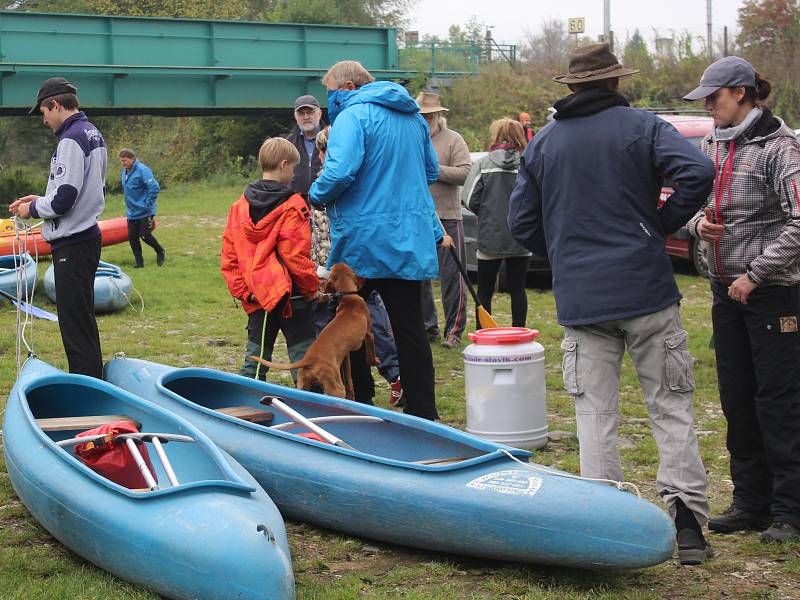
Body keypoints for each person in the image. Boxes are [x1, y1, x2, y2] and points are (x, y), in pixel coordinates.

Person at [507, 43, 716, 564]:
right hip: (645, 289)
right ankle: (687, 526)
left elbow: (520, 224)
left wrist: (564, 252)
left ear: (572, 87)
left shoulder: (543, 145)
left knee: (594, 413)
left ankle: (606, 524)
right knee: (670, 406)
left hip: (583, 298)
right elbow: (697, 173)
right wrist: (659, 227)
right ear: (616, 83)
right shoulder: (643, 127)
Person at [683, 57, 800, 543]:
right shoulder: (712, 144)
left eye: (714, 97)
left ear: (743, 93)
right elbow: (694, 207)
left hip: (774, 296)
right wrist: (697, 226)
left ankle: (790, 510)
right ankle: (751, 502)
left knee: (780, 402)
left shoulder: (782, 148)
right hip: (724, 294)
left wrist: (755, 274)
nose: (708, 106)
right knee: (736, 399)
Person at [309, 60, 444, 421]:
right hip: (408, 239)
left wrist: (316, 194)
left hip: (362, 239)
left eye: (331, 93)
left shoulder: (352, 117)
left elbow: (339, 171)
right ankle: (423, 411)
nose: (330, 101)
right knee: (410, 328)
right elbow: (431, 171)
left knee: (349, 318)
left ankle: (361, 402)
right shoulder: (414, 118)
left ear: (349, 87)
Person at [9, 77, 106, 378]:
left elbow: (65, 199)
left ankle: (86, 387)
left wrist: (31, 208)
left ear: (55, 104)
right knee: (83, 320)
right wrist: (41, 198)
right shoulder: (91, 133)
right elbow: (82, 188)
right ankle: (93, 379)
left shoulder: (70, 138)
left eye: (43, 111)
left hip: (73, 244)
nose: (43, 119)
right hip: (86, 236)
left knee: (74, 325)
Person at [311, 126, 404, 407]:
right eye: (321, 150)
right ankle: (346, 392)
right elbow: (316, 232)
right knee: (334, 335)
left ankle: (392, 376)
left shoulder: (346, 181)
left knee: (370, 327)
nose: (322, 156)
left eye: (326, 150)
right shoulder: (321, 183)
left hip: (352, 273)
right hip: (329, 273)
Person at [221, 137, 318, 382]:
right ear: (284, 165)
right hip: (291, 294)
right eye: (294, 168)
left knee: (254, 358)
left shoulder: (239, 206)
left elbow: (229, 255)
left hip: (257, 293)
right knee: (303, 359)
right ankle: (313, 409)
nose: (294, 173)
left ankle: (245, 404)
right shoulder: (294, 206)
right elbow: (295, 257)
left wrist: (244, 291)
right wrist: (311, 289)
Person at [462, 118, 530, 328]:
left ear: (497, 134)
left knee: (484, 290)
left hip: (490, 233)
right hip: (520, 235)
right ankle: (519, 331)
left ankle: (484, 334)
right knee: (518, 288)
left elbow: (469, 197)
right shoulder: (528, 163)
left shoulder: (484, 163)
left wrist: (485, 213)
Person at [416, 92, 471, 349]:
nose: (425, 119)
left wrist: (433, 171)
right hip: (418, 218)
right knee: (419, 278)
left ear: (438, 116)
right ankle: (428, 328)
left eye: (428, 115)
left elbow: (463, 173)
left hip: (447, 217)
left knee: (453, 278)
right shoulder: (412, 140)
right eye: (421, 115)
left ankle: (455, 330)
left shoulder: (453, 140)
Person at [119, 148, 165, 268]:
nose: (123, 164)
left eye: (125, 161)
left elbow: (154, 187)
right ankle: (139, 263)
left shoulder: (142, 170)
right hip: (131, 212)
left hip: (145, 211)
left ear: (132, 159)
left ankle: (160, 251)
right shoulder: (124, 172)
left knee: (145, 235)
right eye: (121, 161)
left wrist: (147, 204)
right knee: (132, 238)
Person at [286, 95, 324, 197]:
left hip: (325, 202)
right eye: (301, 113)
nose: (306, 117)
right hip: (296, 203)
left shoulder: (331, 139)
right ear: (295, 116)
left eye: (310, 112)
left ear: (319, 114)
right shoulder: (289, 143)